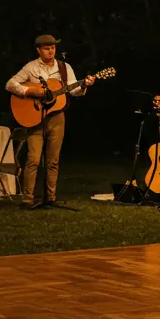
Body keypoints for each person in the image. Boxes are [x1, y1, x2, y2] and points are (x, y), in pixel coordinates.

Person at [6, 34, 96, 207]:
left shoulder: (64, 68)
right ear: (38, 50)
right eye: (47, 48)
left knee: (53, 160)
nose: (50, 51)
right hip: (35, 118)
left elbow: (72, 91)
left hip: (56, 117)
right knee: (33, 158)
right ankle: (28, 197)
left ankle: (51, 197)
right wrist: (31, 92)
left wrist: (83, 85)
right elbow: (10, 84)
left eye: (53, 48)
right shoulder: (31, 67)